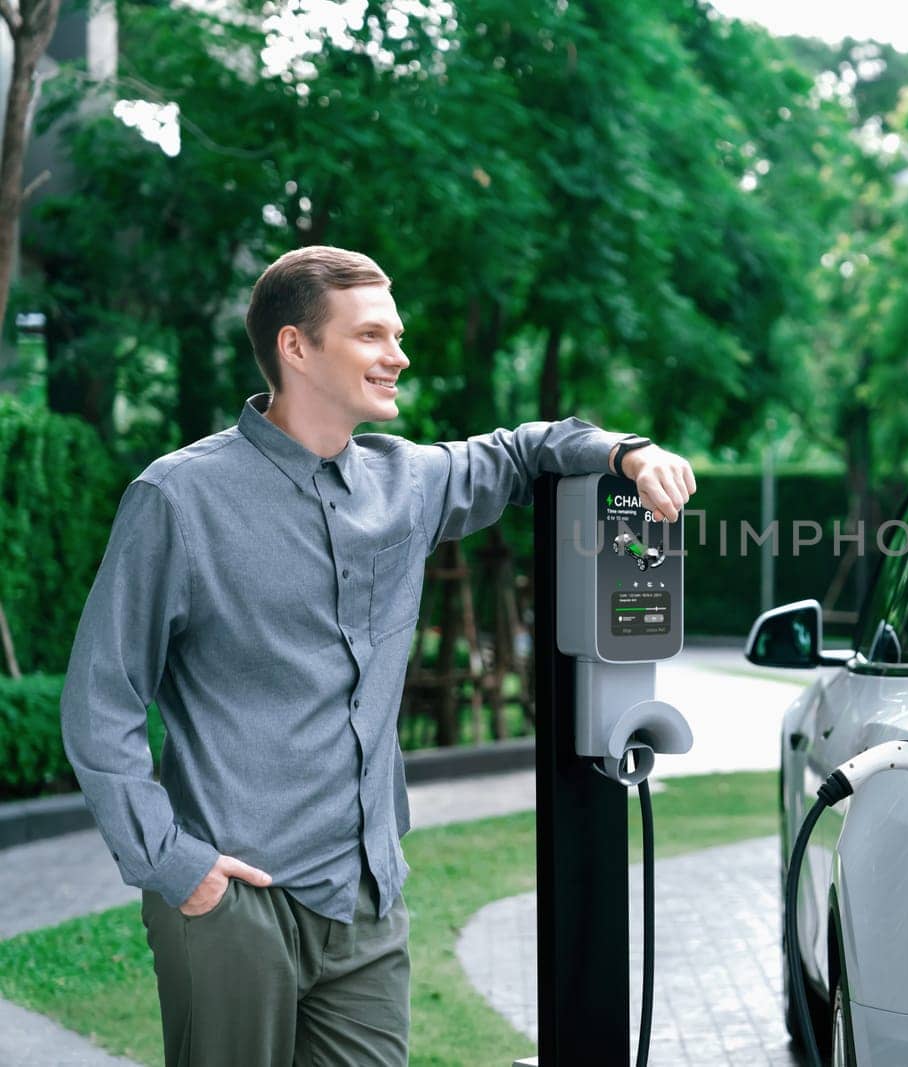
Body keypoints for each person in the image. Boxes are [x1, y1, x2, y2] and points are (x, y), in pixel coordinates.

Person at [59, 245, 697, 1066]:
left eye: (394, 335)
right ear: (296, 347)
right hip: (233, 900)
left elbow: (523, 449)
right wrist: (177, 865)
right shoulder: (178, 499)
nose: (398, 355)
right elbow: (100, 699)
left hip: (366, 902)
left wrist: (627, 452)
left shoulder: (410, 482)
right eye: (371, 336)